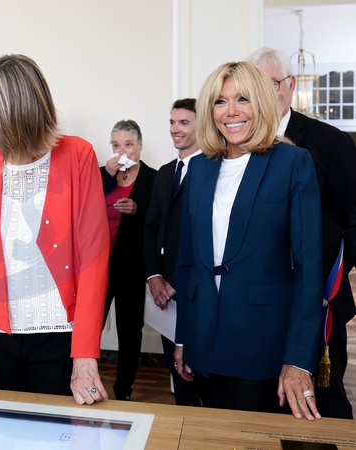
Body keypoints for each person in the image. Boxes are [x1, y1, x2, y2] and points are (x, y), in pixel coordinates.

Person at [0, 54, 110, 405]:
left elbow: (93, 259)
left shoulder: (78, 154)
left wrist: (85, 355)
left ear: (13, 114)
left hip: (60, 336)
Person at [174, 61, 323, 420]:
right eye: (220, 101)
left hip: (262, 342)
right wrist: (183, 337)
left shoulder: (293, 162)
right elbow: (187, 260)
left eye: (243, 99)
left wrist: (299, 359)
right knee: (213, 433)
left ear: (262, 103)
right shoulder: (199, 167)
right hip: (203, 339)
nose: (231, 111)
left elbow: (309, 269)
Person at [247, 47, 356, 420]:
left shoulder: (330, 141)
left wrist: (331, 278)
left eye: (272, 83)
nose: (264, 92)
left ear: (291, 85)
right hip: (259, 302)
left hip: (319, 299)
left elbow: (352, 217)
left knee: (320, 405)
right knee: (264, 400)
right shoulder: (238, 144)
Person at [143, 98, 201, 406]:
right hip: (163, 291)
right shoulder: (165, 172)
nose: (175, 129)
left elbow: (208, 238)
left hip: (197, 289)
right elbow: (151, 227)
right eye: (172, 122)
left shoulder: (214, 169)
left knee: (199, 374)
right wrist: (154, 276)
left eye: (184, 123)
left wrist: (176, 282)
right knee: (178, 376)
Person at [100, 120, 156, 400]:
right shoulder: (101, 175)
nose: (122, 151)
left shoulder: (153, 178)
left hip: (133, 267)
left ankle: (123, 390)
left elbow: (159, 224)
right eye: (116, 145)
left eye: (128, 144)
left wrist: (137, 210)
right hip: (100, 266)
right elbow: (83, 210)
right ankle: (83, 377)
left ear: (140, 146)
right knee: (91, 325)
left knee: (130, 331)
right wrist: (107, 178)